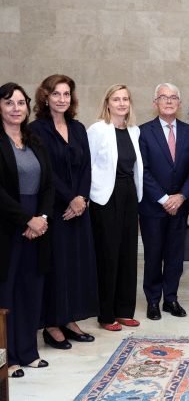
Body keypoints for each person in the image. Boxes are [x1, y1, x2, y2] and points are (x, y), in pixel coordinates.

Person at [29, 75, 98, 349]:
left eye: (66, 94)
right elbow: (45, 170)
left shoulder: (78, 127)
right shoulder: (36, 129)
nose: (61, 99)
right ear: (45, 97)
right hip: (54, 208)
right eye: (56, 94)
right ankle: (51, 325)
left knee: (75, 265)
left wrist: (81, 198)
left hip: (78, 209)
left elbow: (87, 166)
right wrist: (70, 198)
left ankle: (69, 319)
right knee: (56, 266)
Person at [0, 83, 54, 378]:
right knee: (6, 292)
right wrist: (27, 220)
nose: (16, 108)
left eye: (21, 103)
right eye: (9, 103)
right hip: (8, 226)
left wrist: (41, 218)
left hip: (37, 225)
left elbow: (49, 184)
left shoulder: (35, 140)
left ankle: (28, 352)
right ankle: (6, 359)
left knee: (31, 289)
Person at [138, 83, 189, 321]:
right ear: (155, 103)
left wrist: (181, 196)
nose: (168, 101)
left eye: (173, 97)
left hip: (180, 206)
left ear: (180, 103)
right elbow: (142, 170)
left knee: (175, 256)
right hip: (153, 206)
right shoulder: (142, 132)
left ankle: (171, 299)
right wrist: (165, 199)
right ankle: (153, 301)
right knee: (154, 255)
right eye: (163, 97)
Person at [87, 84, 143, 331]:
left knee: (128, 253)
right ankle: (106, 314)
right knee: (108, 255)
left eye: (126, 99)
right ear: (107, 103)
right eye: (116, 99)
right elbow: (87, 165)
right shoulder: (98, 129)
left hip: (129, 193)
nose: (122, 103)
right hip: (105, 197)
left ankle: (124, 310)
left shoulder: (134, 130)